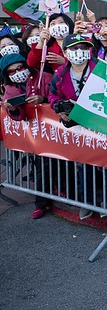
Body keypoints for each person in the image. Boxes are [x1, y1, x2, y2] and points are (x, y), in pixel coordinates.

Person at [50, 34, 98, 220]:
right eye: (74, 49)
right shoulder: (60, 74)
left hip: (98, 124)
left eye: (83, 48)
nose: (79, 52)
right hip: (75, 125)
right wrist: (59, 109)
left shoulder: (101, 69)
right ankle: (87, 202)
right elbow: (53, 97)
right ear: (65, 52)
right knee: (83, 165)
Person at [1, 53, 52, 219]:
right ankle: (41, 204)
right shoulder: (9, 89)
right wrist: (13, 109)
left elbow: (56, 97)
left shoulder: (43, 77)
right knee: (41, 169)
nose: (17, 72)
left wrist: (42, 99)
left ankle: (72, 196)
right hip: (35, 137)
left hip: (55, 132)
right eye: (11, 71)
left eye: (20, 68)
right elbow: (18, 115)